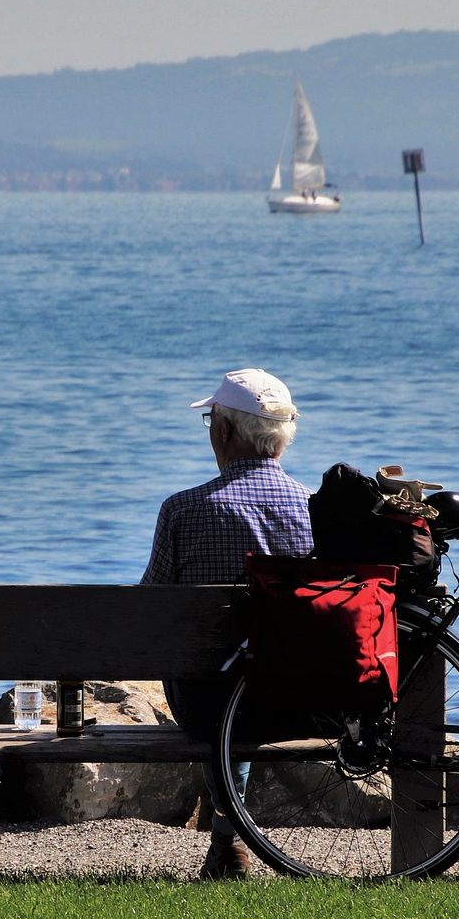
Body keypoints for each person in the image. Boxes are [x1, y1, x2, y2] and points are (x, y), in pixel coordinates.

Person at [142, 368, 313, 879]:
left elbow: (147, 611)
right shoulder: (313, 509)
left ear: (224, 432)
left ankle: (228, 833)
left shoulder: (184, 510)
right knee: (254, 667)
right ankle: (227, 834)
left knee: (219, 679)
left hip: (206, 703)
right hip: (300, 699)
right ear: (282, 439)